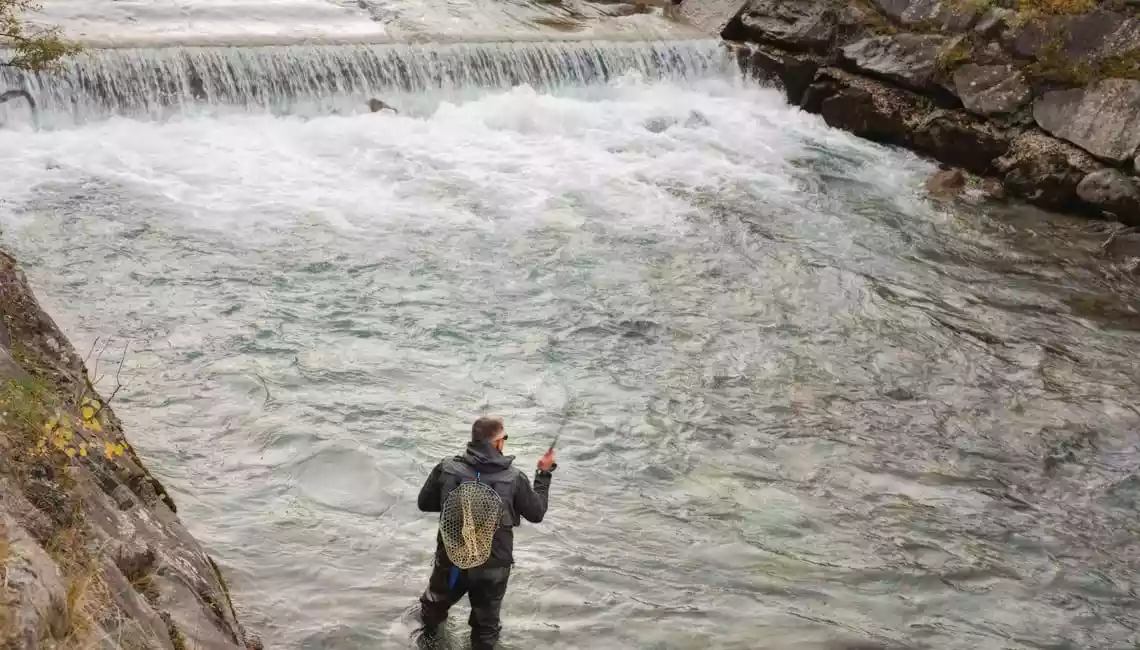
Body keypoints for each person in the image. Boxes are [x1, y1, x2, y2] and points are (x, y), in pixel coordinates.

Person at [417, 416, 556, 649]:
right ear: (498, 442)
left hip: (452, 560)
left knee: (433, 610)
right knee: (486, 628)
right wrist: (543, 474)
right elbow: (537, 513)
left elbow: (424, 503)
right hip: (493, 567)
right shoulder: (515, 478)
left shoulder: (447, 468)